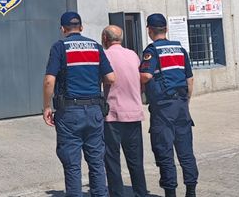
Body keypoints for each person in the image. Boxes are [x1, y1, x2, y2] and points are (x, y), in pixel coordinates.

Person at [43, 11, 116, 197]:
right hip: (94, 111)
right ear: (81, 27)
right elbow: (110, 77)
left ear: (62, 29)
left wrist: (46, 107)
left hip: (69, 113)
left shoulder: (59, 47)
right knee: (96, 162)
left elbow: (49, 81)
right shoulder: (95, 47)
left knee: (72, 164)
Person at [140, 14, 199, 197]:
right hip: (181, 105)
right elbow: (189, 79)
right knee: (185, 150)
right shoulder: (179, 49)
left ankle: (170, 192)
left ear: (149, 30)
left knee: (164, 151)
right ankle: (191, 190)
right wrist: (186, 101)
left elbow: (146, 76)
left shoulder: (152, 50)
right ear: (166, 29)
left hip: (163, 108)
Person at [101, 25, 148, 197]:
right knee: (136, 161)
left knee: (112, 161)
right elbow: (141, 83)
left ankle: (117, 194)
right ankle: (141, 193)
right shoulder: (133, 55)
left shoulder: (104, 55)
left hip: (112, 116)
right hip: (134, 114)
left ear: (105, 38)